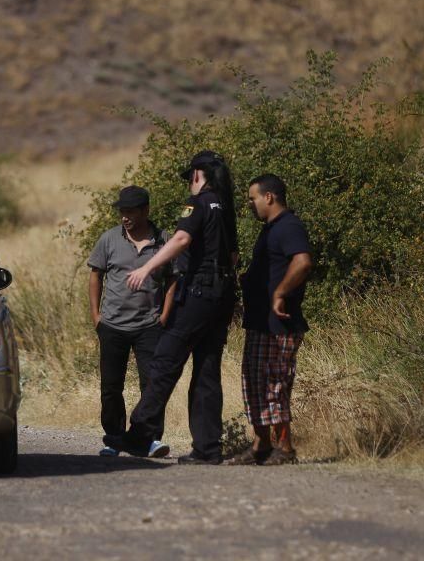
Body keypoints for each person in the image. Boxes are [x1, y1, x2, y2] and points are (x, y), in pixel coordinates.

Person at [104, 150, 239, 465]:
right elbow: (232, 257)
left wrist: (146, 268)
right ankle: (208, 449)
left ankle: (140, 435)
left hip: (199, 292)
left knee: (164, 362)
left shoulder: (200, 203)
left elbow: (180, 239)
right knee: (207, 371)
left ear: (196, 174)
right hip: (222, 294)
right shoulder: (226, 207)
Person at [228, 173, 312, 466]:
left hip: (280, 325)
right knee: (254, 383)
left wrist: (280, 293)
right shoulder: (270, 229)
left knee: (275, 384)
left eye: (253, 199)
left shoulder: (289, 226)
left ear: (269, 197)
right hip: (259, 322)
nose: (250, 205)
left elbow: (302, 262)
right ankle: (261, 445)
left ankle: (285, 448)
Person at [88, 185, 176, 458]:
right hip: (112, 324)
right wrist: (96, 316)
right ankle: (113, 438)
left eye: (130, 212)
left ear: (145, 211)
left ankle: (149, 438)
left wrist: (164, 316)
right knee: (111, 386)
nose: (125, 217)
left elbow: (174, 279)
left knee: (152, 384)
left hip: (150, 325)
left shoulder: (164, 240)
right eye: (122, 212)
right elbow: (95, 275)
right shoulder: (109, 239)